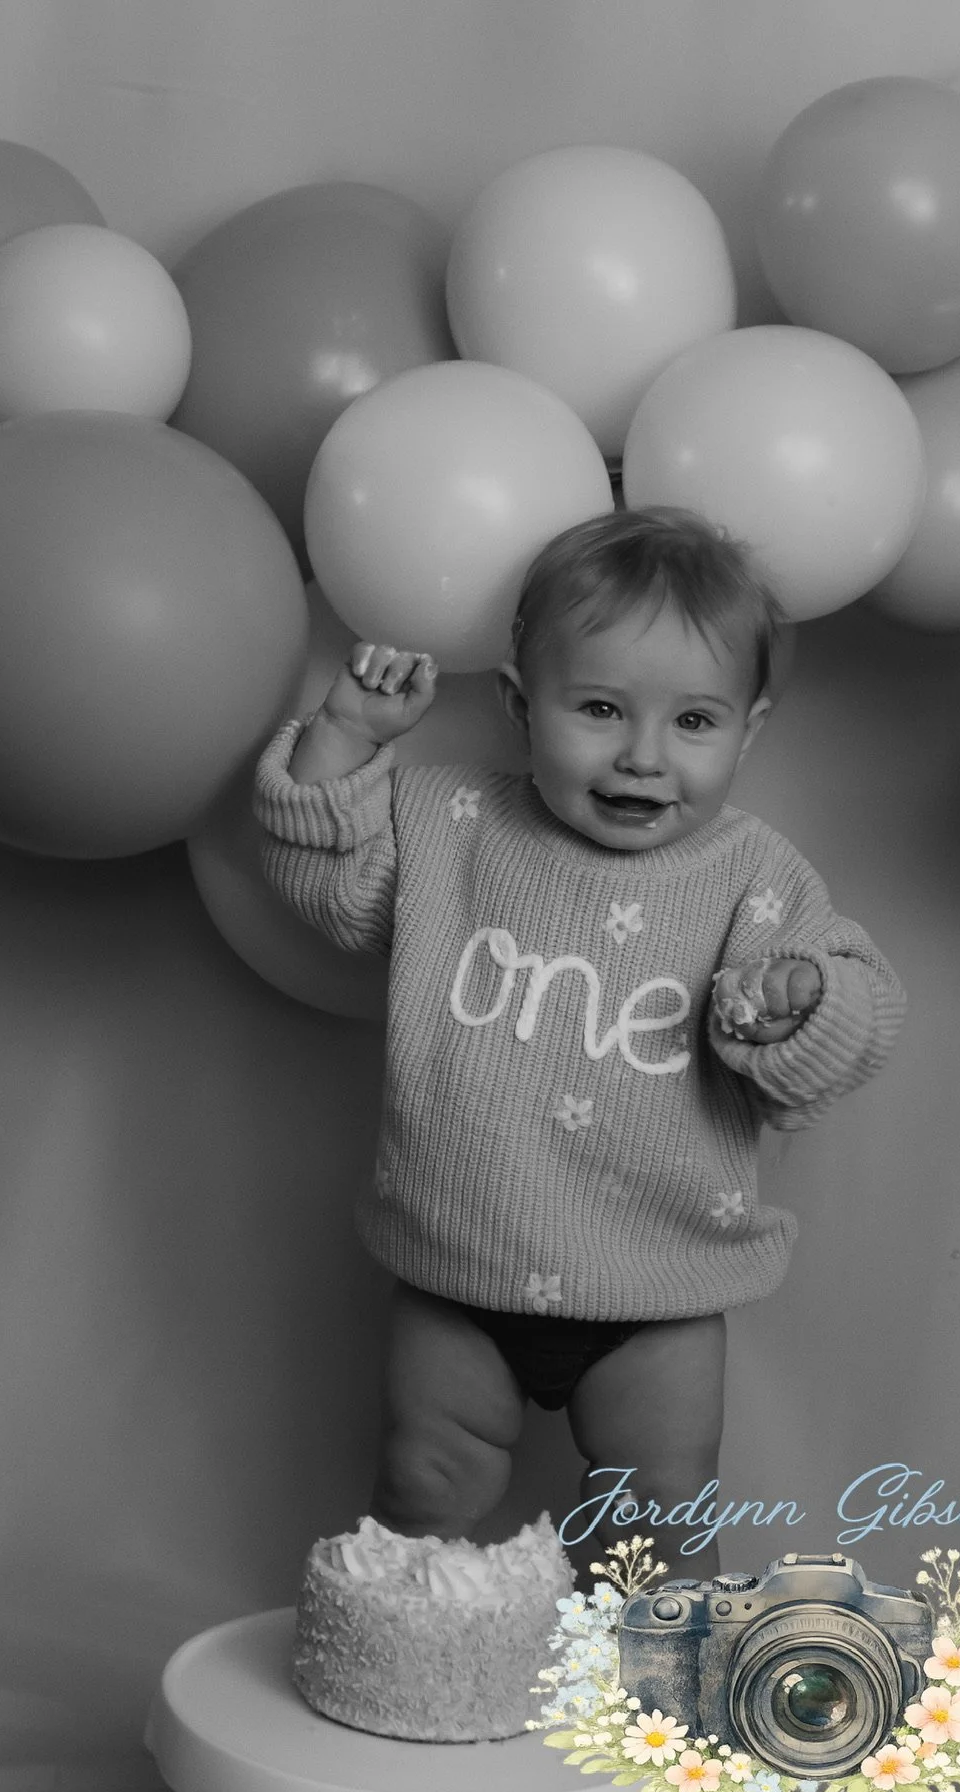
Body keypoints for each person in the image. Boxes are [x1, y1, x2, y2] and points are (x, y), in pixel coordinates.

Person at [253, 506, 905, 1584]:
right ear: (519, 704)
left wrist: (805, 1005)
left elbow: (857, 1026)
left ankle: (652, 1715)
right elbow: (328, 886)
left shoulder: (757, 878)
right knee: (423, 1481)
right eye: (599, 708)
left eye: (693, 722)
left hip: (658, 1283)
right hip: (458, 1259)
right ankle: (410, 1680)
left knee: (660, 1511)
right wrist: (346, 736)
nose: (642, 757)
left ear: (749, 728)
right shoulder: (449, 825)